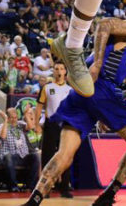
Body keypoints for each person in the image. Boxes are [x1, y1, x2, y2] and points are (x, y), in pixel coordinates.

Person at [19, 2, 126, 206]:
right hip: (101, 88)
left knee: (64, 154)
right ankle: (108, 196)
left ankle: (34, 200)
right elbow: (104, 24)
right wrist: (98, 64)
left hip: (82, 93)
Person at [37, 62, 72, 197]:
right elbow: (39, 106)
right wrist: (36, 125)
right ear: (53, 71)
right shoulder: (47, 87)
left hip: (65, 125)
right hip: (51, 124)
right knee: (47, 156)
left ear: (65, 72)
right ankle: (45, 188)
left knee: (66, 156)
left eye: (62, 68)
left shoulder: (70, 89)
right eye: (56, 68)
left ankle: (65, 188)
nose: (59, 71)